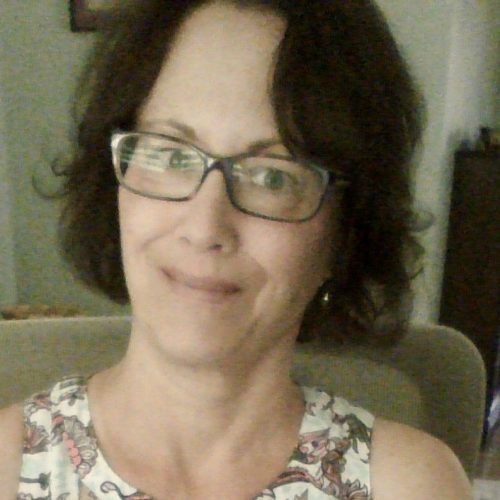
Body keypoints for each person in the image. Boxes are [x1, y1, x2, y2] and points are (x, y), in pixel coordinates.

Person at [0, 0, 472, 498]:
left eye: (273, 177)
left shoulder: (411, 485)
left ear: (346, 231)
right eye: (170, 154)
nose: (205, 226)